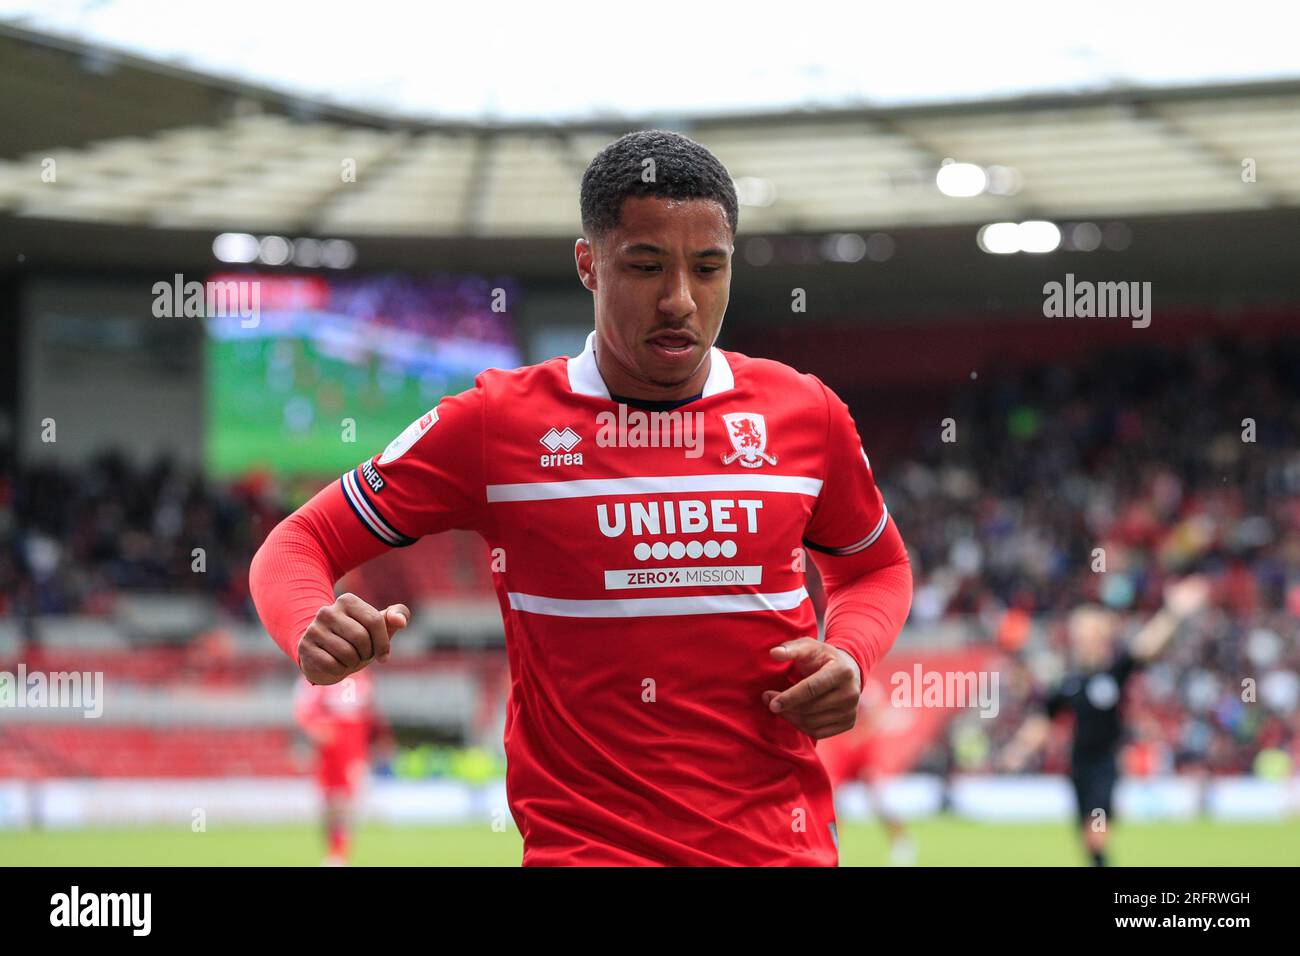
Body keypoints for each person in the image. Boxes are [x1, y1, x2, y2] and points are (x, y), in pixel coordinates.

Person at [251, 129, 913, 866]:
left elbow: (875, 568)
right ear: (588, 265)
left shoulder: (805, 414)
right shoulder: (497, 424)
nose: (680, 301)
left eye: (708, 268)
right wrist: (309, 621)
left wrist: (850, 654)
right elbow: (298, 543)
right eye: (646, 265)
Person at [999, 576, 1210, 865]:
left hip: (1105, 763)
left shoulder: (1114, 671)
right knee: (1088, 839)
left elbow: (1146, 646)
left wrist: (1172, 612)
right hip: (1078, 764)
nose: (1082, 638)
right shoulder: (1069, 681)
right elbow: (1044, 719)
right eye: (1079, 633)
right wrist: (1018, 751)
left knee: (1096, 833)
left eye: (1088, 632)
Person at [293, 667, 381, 866]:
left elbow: (367, 714)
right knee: (329, 802)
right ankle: (334, 851)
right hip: (329, 744)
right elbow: (303, 708)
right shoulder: (316, 674)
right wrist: (313, 727)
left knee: (345, 801)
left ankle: (339, 853)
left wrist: (371, 743)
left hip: (352, 744)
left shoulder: (361, 675)